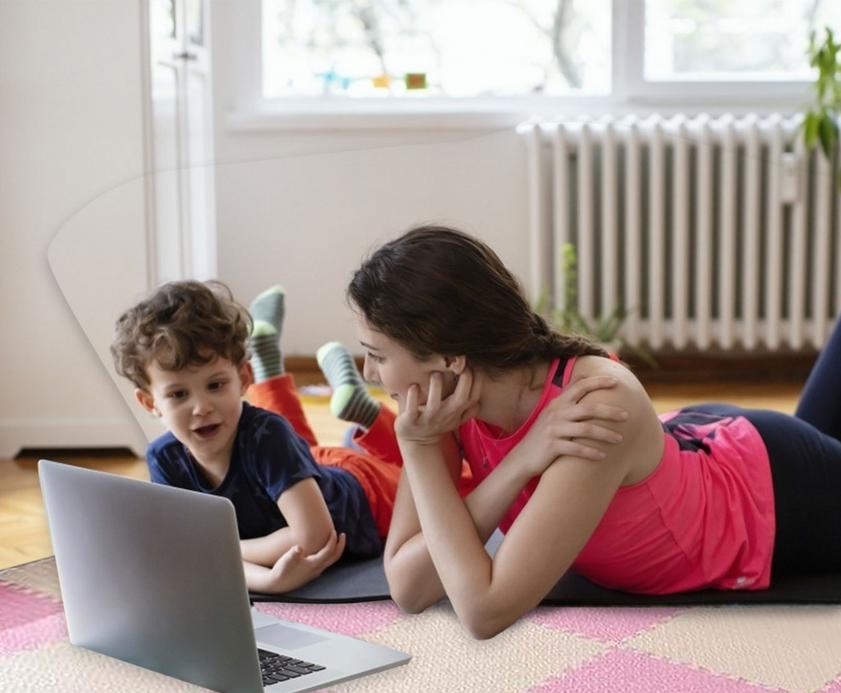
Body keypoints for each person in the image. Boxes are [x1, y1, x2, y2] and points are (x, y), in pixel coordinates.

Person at [346, 224, 841, 639]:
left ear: (450, 358)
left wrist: (432, 448)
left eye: (380, 354)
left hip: (776, 493)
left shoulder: (591, 410)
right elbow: (409, 588)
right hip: (690, 451)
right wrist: (505, 461)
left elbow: (484, 610)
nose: (369, 373)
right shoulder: (439, 412)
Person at [110, 280, 590, 595]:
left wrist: (225, 549)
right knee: (295, 442)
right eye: (178, 394)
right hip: (311, 474)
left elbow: (311, 536)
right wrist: (266, 580)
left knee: (448, 483)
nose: (201, 407)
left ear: (240, 377)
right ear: (151, 403)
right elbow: (185, 548)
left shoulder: (263, 438)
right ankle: (290, 373)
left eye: (216, 385)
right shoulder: (166, 457)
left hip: (363, 492)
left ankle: (357, 409)